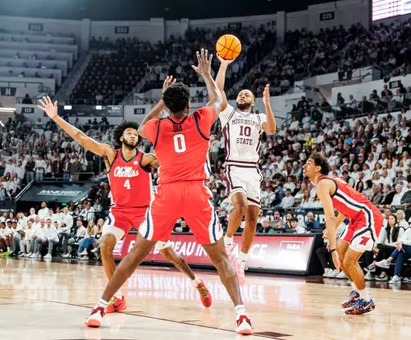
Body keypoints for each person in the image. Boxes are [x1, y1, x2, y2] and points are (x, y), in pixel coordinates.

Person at [83, 49, 253, 335]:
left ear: (169, 105)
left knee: (135, 255)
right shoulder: (200, 120)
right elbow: (219, 100)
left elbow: (141, 124)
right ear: (188, 105)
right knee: (220, 257)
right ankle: (242, 316)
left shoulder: (157, 128)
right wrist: (207, 74)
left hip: (166, 194)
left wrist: (162, 99)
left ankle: (99, 307)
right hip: (196, 193)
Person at [37, 91, 211, 316]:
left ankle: (196, 282)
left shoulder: (146, 158)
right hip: (119, 211)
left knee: (168, 252)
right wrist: (56, 118)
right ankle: (117, 298)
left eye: (135, 134)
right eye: (129, 133)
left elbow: (172, 162)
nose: (133, 136)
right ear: (121, 137)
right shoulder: (110, 154)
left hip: (145, 213)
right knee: (105, 246)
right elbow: (81, 137)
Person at [215, 55, 276, 285]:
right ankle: (228, 242)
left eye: (247, 94)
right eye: (240, 93)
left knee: (252, 219)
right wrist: (223, 65)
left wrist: (268, 104)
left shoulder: (259, 116)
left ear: (253, 101)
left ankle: (241, 261)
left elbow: (271, 129)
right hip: (234, 167)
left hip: (253, 170)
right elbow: (219, 91)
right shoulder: (228, 113)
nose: (242, 95)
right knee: (239, 206)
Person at [303, 154, 383, 315]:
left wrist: (331, 249)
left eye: (308, 163)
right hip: (354, 218)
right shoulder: (331, 181)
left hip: (368, 217)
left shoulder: (322, 184)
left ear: (318, 168)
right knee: (342, 252)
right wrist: (332, 233)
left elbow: (330, 217)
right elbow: (343, 208)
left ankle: (366, 300)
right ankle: (356, 292)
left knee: (348, 260)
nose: (304, 166)